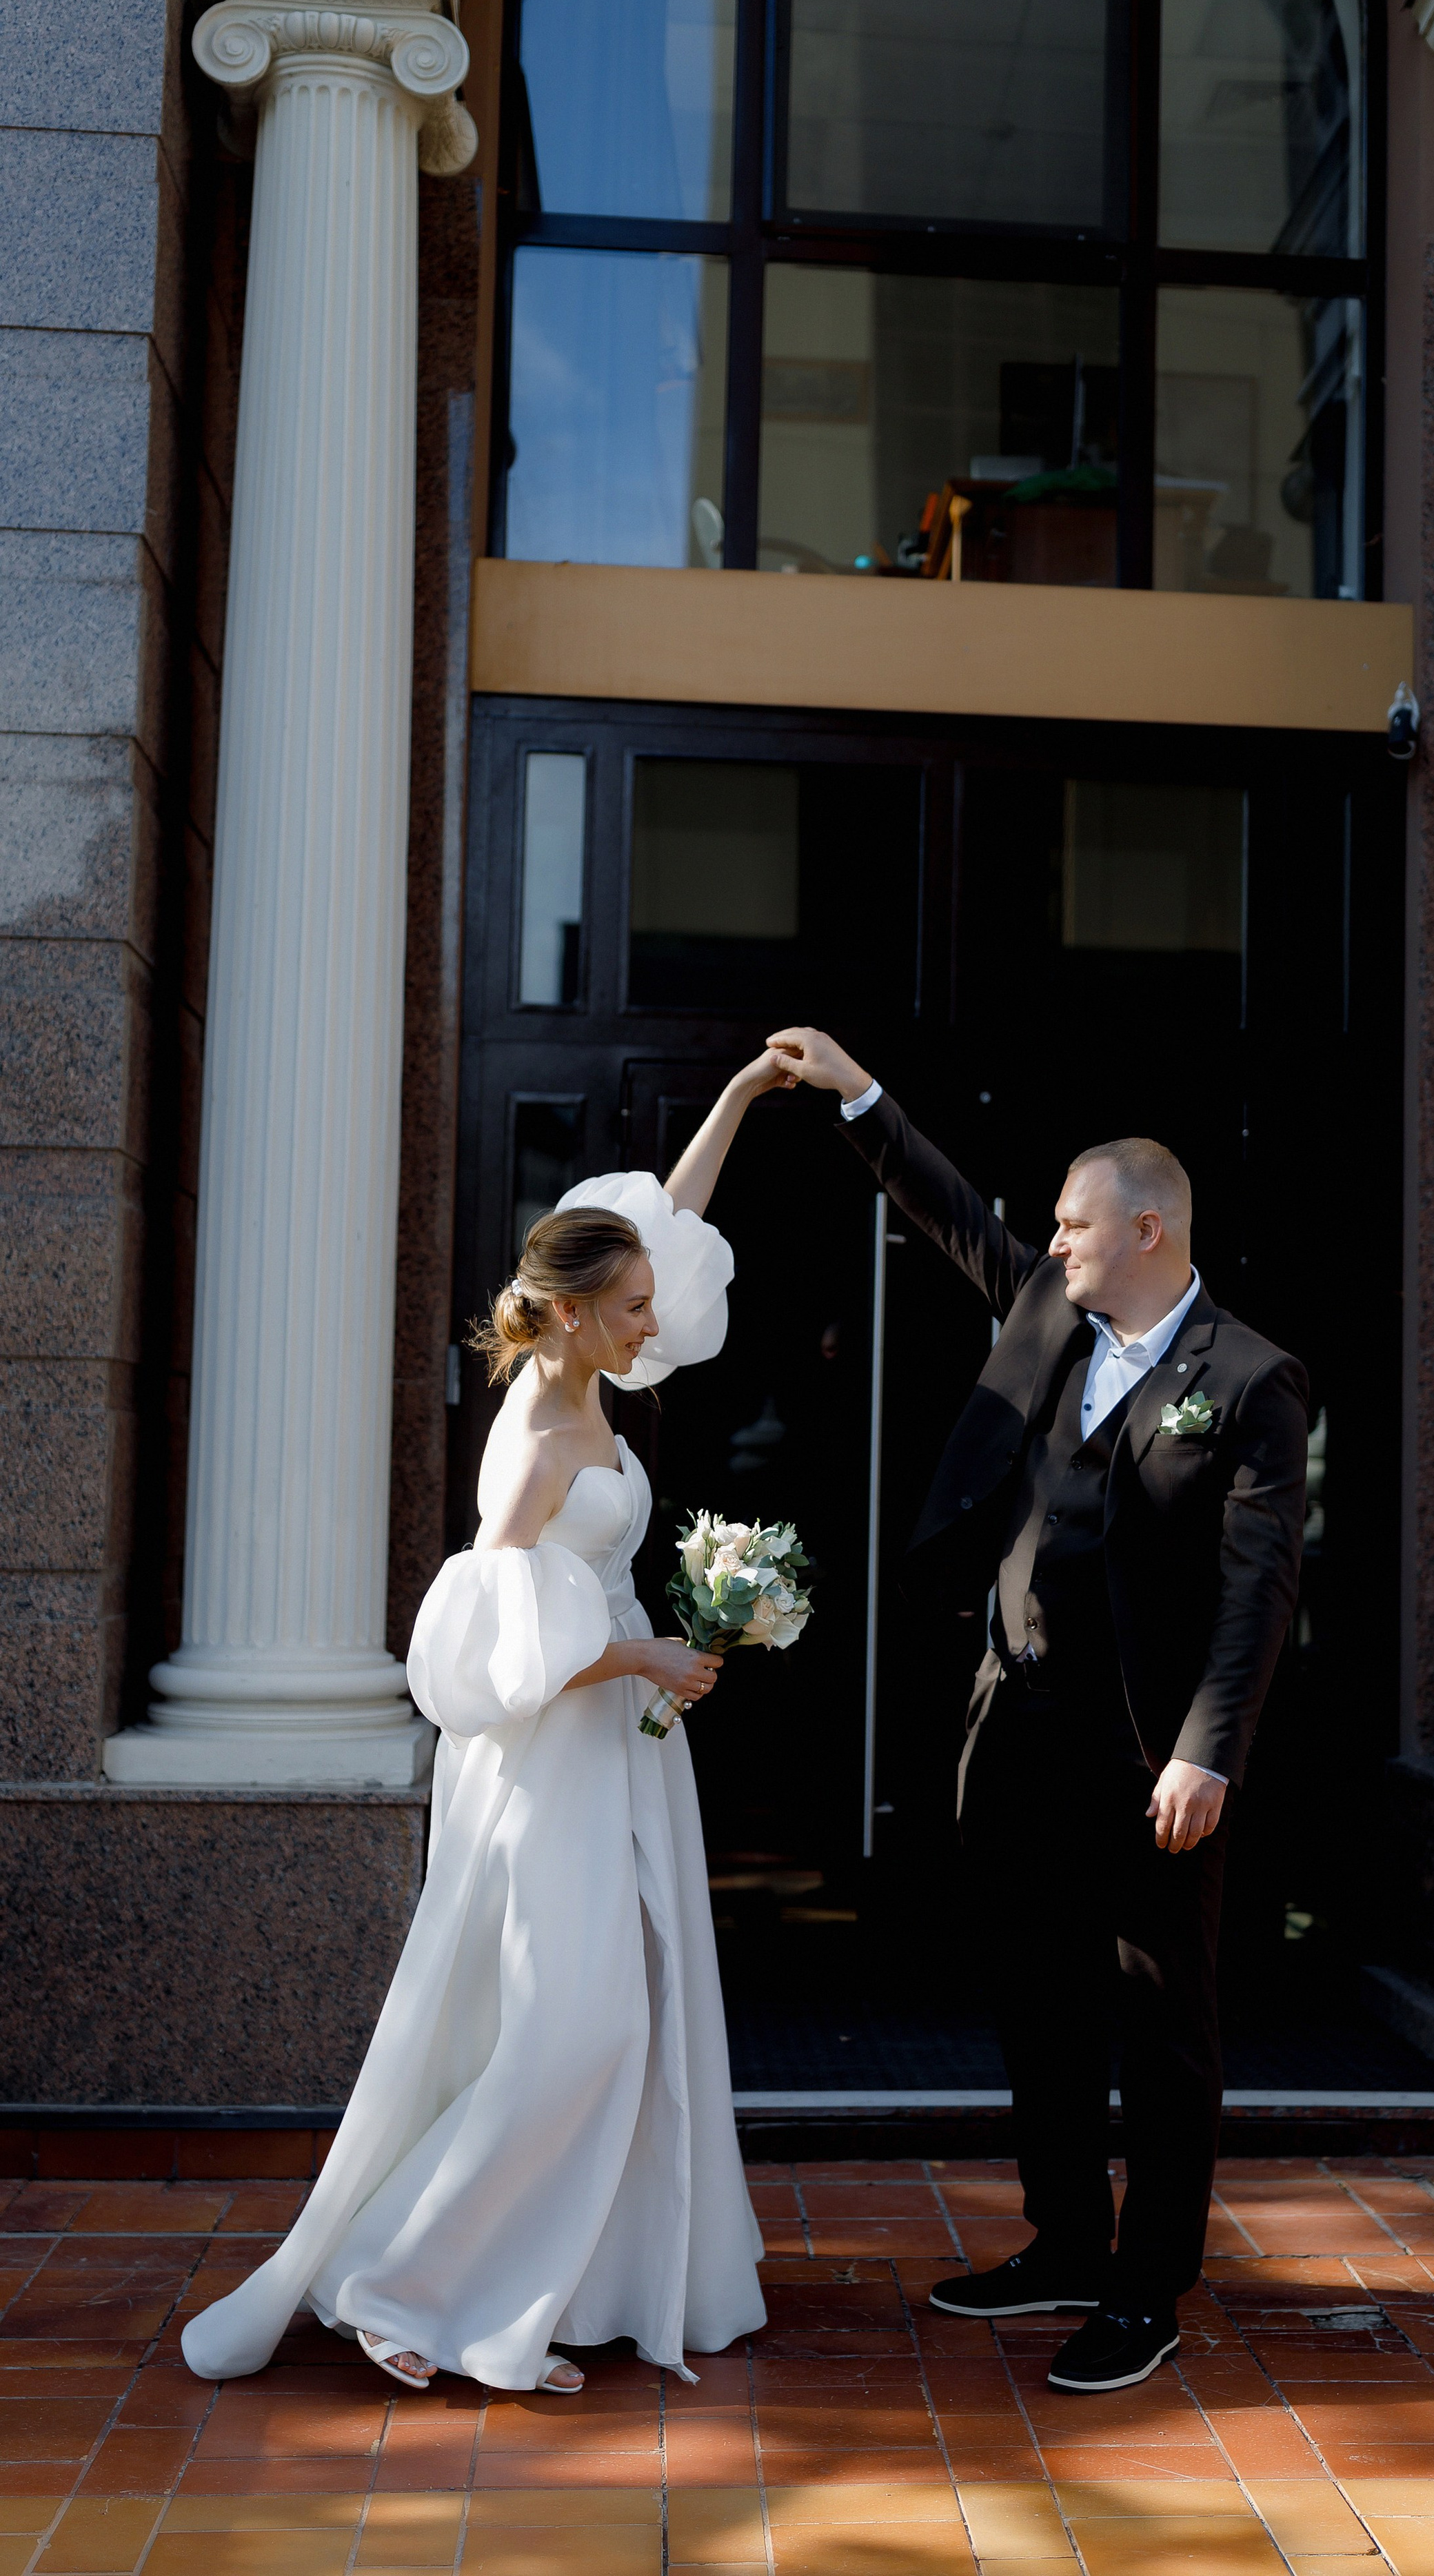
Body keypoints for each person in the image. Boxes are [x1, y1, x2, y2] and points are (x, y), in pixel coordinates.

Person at [181, 1050, 797, 2393]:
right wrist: (633, 1649)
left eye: (649, 1305)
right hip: (546, 1763)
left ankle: (554, 2286)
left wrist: (742, 1093)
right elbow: (477, 1634)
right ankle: (403, 2285)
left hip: (624, 1746)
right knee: (576, 2027)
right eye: (629, 1309)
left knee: (632, 2012)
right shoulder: (534, 1441)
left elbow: (672, 1233)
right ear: (573, 1314)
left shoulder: (600, 1379)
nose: (654, 1323)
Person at [767, 1026, 1308, 2395]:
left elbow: (1258, 1591)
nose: (1051, 1242)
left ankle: (1147, 2285)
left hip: (1146, 1757)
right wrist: (858, 1096)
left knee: (1159, 2019)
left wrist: (1206, 1751)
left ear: (1146, 1228)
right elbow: (954, 1214)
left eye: (1074, 1224)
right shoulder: (1047, 1313)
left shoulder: (1249, 1381)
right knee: (1037, 1995)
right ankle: (1067, 2240)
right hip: (1011, 1738)